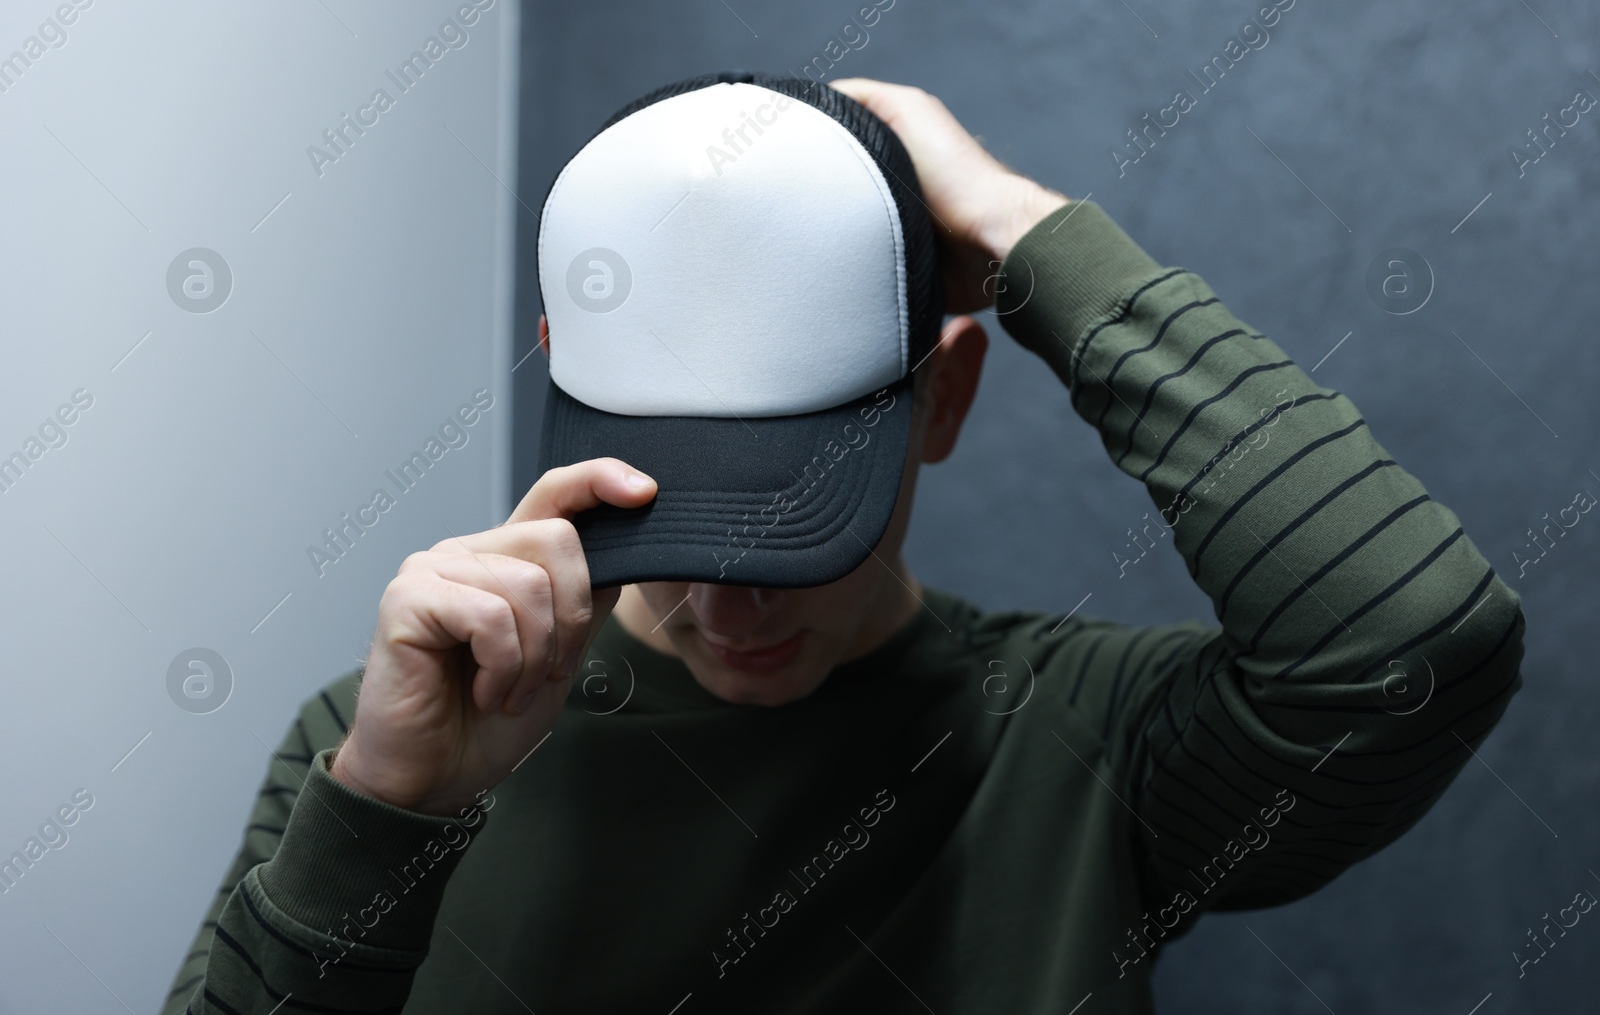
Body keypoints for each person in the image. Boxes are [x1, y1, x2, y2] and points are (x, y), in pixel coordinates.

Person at [162, 75, 1525, 1014]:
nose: (719, 601)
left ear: (945, 395)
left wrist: (1022, 231)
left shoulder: (1081, 743)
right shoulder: (387, 739)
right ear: (561, 378)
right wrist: (386, 808)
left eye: (789, 521)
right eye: (673, 511)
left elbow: (1412, 644)